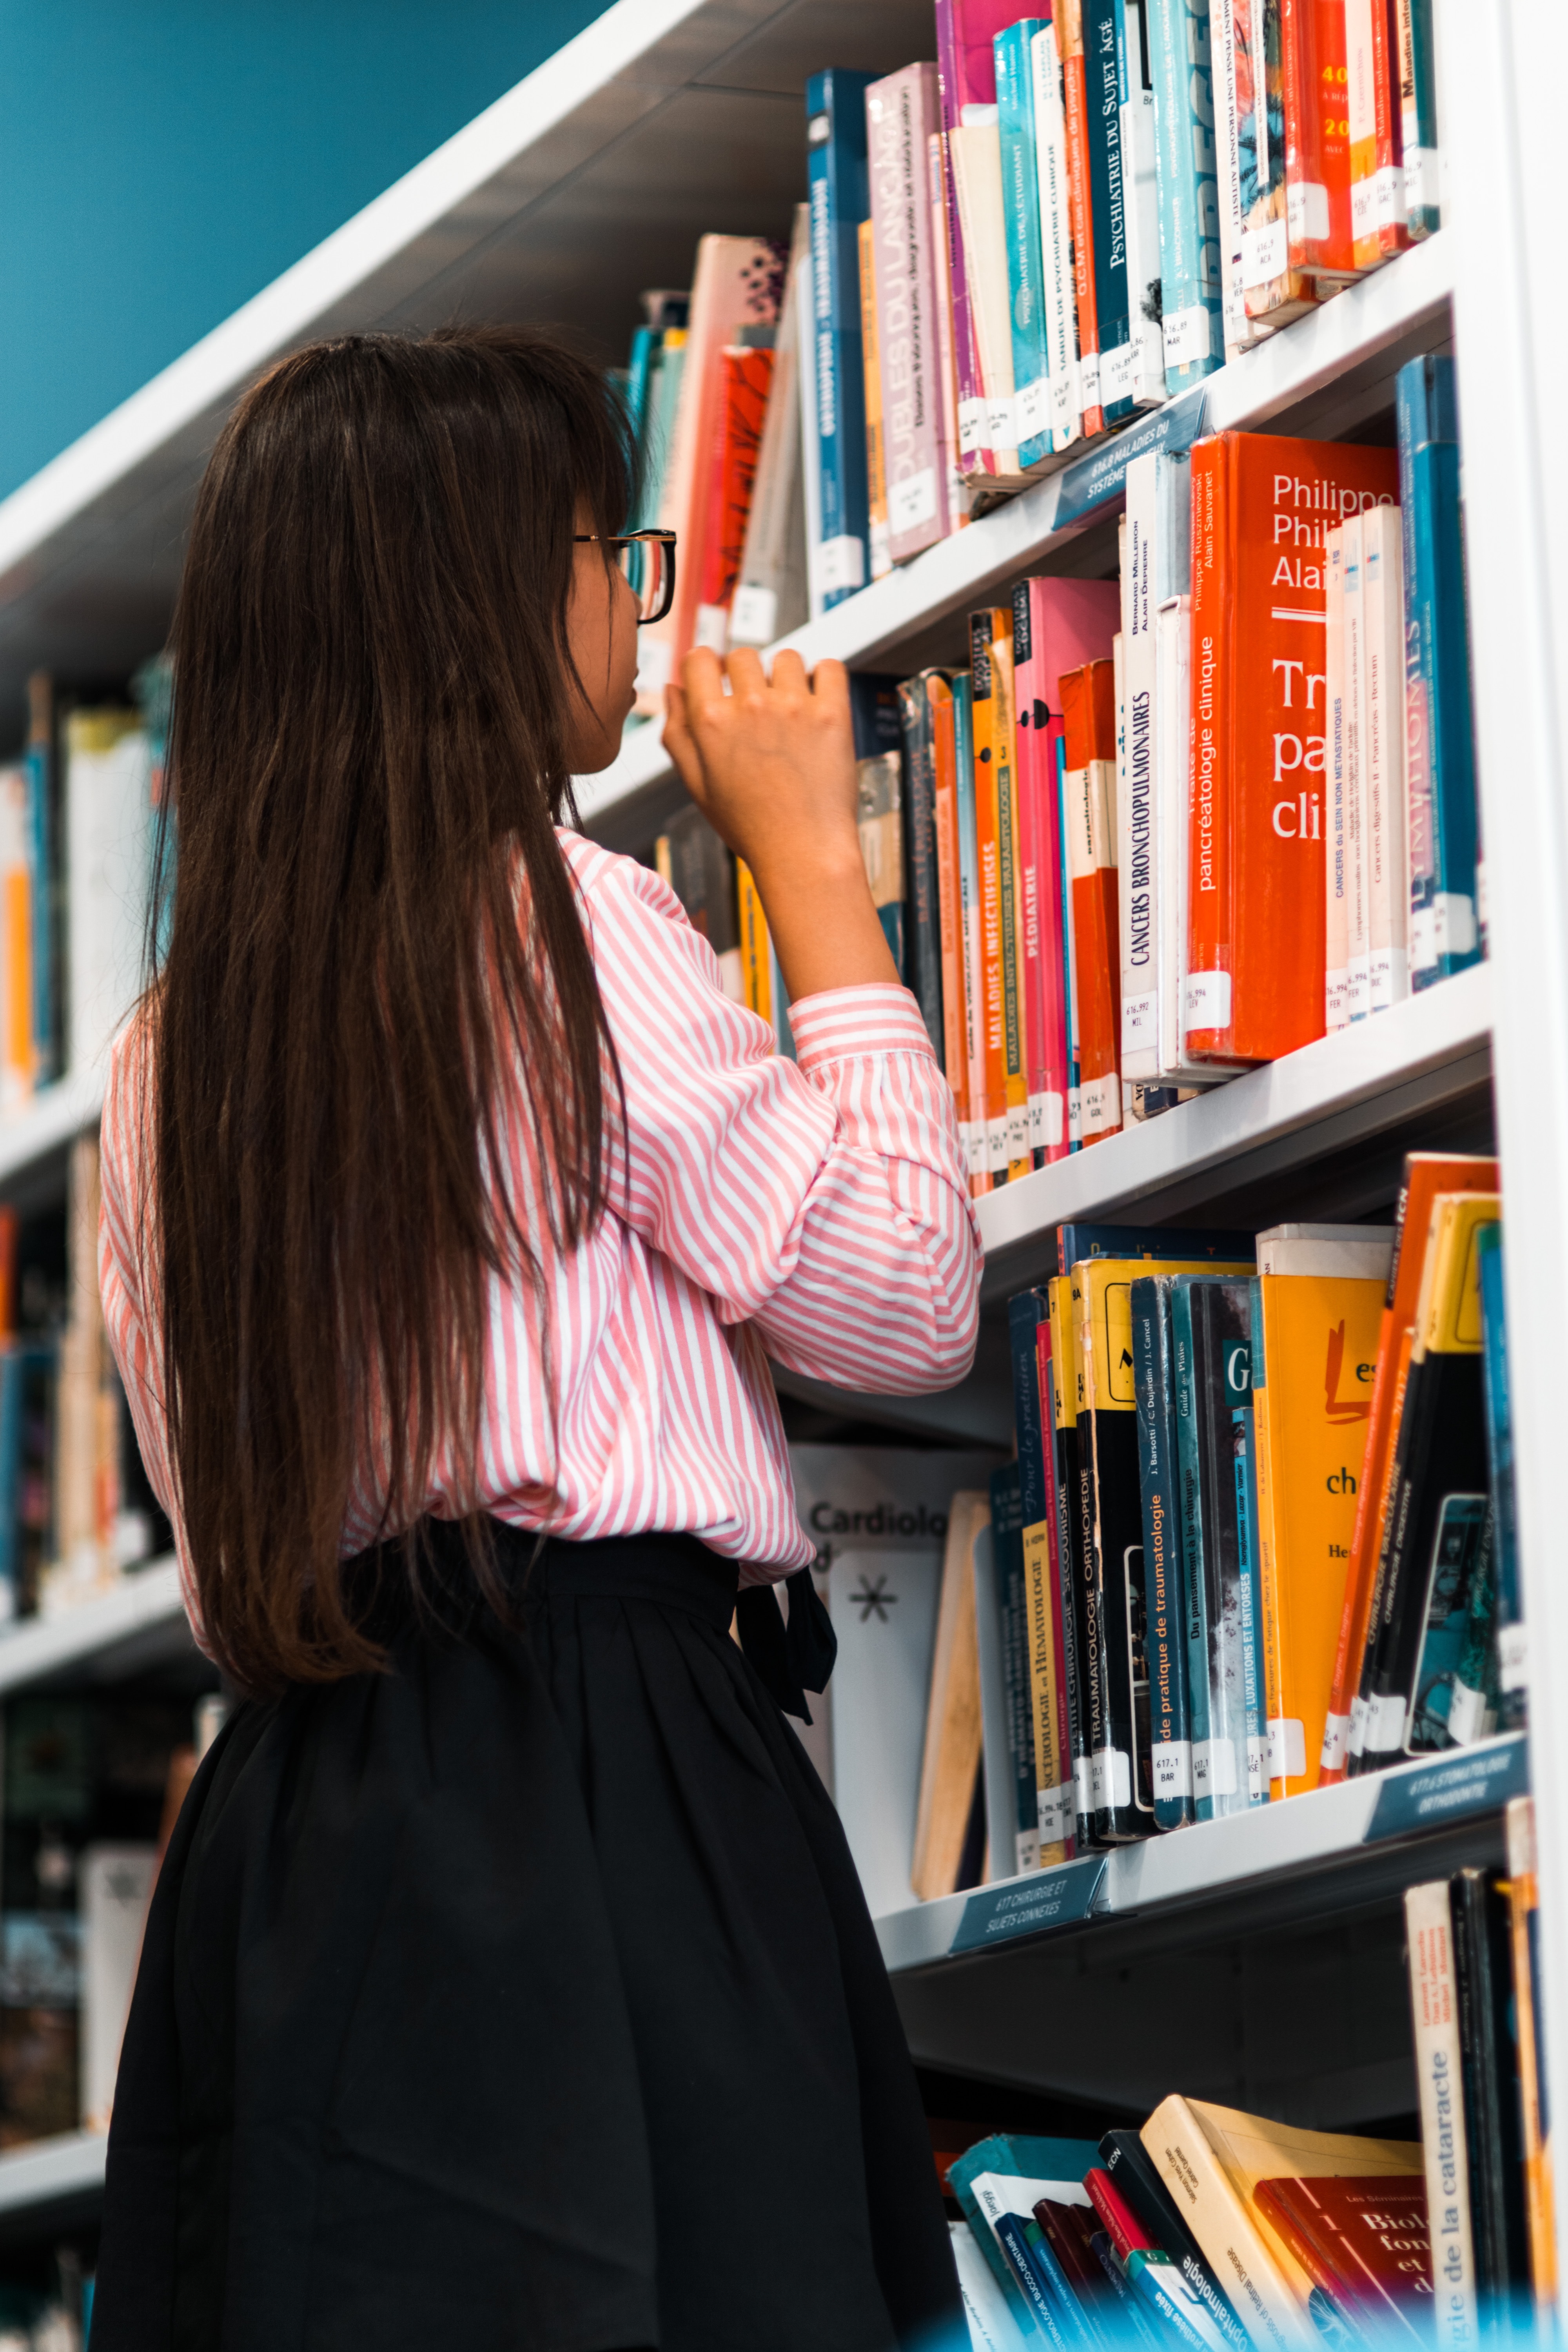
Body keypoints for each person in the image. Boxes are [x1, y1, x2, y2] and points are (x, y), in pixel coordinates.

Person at [89, 326, 982, 2352]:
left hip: (296, 1829)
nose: (628, 599)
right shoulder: (567, 926)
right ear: (500, 591)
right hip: (601, 1765)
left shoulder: (164, 1064)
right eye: (612, 549)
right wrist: (819, 870)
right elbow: (910, 1302)